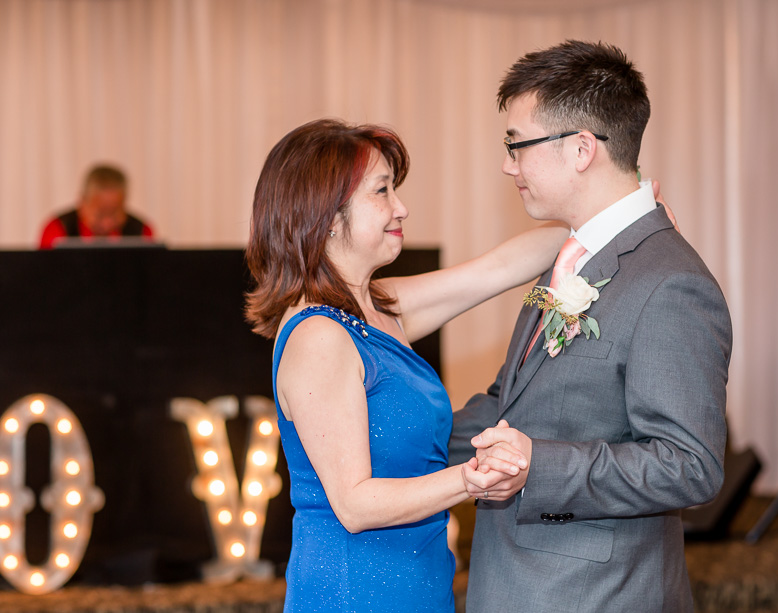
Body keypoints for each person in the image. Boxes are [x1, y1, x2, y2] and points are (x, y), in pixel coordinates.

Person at [448, 40, 733, 612]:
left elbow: (690, 465)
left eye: (517, 144)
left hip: (593, 596)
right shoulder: (575, 256)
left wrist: (539, 466)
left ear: (581, 149)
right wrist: (397, 440)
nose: (508, 164)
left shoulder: (671, 282)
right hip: (520, 583)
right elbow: (511, 405)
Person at [244, 118, 571, 612]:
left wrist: (613, 220)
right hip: (356, 594)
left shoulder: (376, 308)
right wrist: (471, 477)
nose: (402, 207)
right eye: (382, 191)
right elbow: (354, 504)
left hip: (417, 584)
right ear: (327, 217)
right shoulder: (318, 337)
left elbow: (498, 269)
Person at [38, 164, 154, 249]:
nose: (107, 223)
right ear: (82, 203)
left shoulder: (141, 232)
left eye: (115, 214)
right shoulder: (58, 230)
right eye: (100, 214)